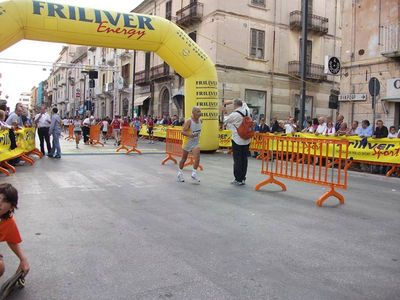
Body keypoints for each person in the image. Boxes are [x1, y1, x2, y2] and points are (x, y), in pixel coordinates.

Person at [0, 183, 30, 279]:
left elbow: (12, 241)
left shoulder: (8, 222)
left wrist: (23, 260)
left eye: (4, 201)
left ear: (12, 207)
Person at [224, 99, 251, 185]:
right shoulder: (247, 110)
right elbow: (243, 102)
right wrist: (232, 101)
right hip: (247, 139)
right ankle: (243, 178)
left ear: (235, 105)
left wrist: (224, 112)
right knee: (244, 159)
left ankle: (238, 179)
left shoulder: (234, 115)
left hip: (237, 139)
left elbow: (224, 120)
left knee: (237, 160)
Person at [177, 107, 202, 183]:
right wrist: (190, 135)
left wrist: (196, 135)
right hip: (187, 143)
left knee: (197, 158)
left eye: (200, 111)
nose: (200, 113)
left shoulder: (201, 120)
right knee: (184, 159)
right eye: (198, 112)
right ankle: (180, 173)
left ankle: (194, 173)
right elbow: (182, 132)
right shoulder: (189, 121)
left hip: (195, 143)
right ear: (193, 112)